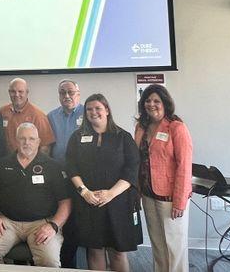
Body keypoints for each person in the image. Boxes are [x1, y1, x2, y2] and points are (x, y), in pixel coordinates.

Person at [66, 94, 142, 271]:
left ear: (107, 110)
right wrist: (84, 192)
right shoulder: (77, 137)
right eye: (89, 109)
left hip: (119, 202)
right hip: (89, 201)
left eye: (98, 108)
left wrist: (111, 193)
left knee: (117, 251)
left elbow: (132, 169)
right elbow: (71, 167)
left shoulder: (123, 137)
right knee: (94, 250)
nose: (93, 112)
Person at [0, 123, 71, 267]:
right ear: (16, 140)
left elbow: (65, 202)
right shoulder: (2, 164)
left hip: (41, 224)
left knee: (50, 261)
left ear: (39, 142)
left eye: (31, 139)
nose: (27, 143)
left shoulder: (52, 166)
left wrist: (53, 225)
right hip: (7, 223)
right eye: (22, 138)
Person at [134, 84, 193, 272]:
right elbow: (137, 160)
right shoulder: (141, 127)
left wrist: (180, 201)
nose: (151, 104)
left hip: (170, 197)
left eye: (156, 101)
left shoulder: (176, 127)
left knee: (175, 247)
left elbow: (184, 166)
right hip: (148, 194)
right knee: (158, 245)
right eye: (148, 101)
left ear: (165, 103)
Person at [47, 79, 84, 268]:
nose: (67, 96)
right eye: (63, 93)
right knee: (61, 219)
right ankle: (61, 260)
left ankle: (71, 264)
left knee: (75, 223)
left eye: (70, 92)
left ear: (78, 93)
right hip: (58, 176)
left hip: (81, 177)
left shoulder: (89, 112)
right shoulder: (51, 116)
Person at [0, 78, 55, 154]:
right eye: (13, 91)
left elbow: (45, 146)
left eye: (20, 91)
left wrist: (37, 164)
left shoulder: (38, 116)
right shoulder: (2, 112)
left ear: (27, 92)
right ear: (9, 92)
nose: (16, 95)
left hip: (29, 163)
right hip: (6, 162)